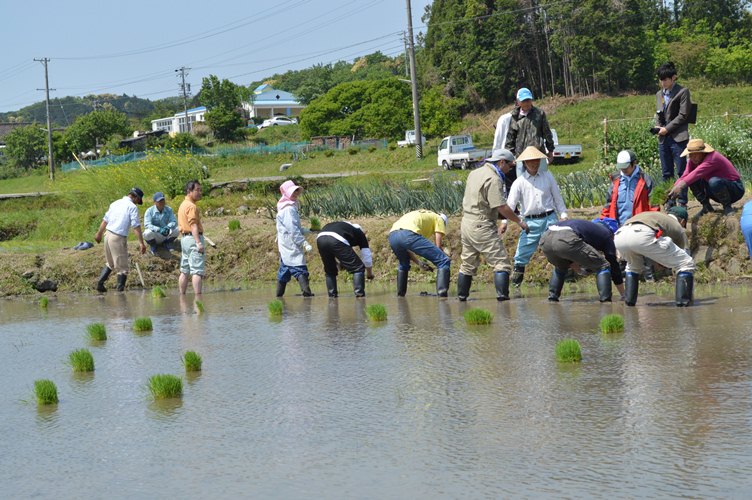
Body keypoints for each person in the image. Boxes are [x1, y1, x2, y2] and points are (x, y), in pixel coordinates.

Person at [458, 149, 529, 301]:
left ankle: (461, 299)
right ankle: (503, 301)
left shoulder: (474, 173)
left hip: (466, 223)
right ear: (501, 162)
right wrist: (519, 221)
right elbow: (500, 206)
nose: (510, 169)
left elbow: (482, 202)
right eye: (510, 166)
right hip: (481, 225)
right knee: (501, 263)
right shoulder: (493, 178)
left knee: (468, 264)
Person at [502, 146, 568, 287]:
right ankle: (516, 285)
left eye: (536, 160)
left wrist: (563, 214)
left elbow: (557, 197)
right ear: (525, 163)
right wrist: (504, 221)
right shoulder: (519, 182)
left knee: (558, 249)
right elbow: (510, 205)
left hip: (549, 218)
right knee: (521, 254)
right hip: (530, 222)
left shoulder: (547, 176)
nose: (534, 163)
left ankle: (564, 280)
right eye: (530, 161)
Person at [614, 206, 695, 307]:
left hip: (620, 235)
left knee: (633, 268)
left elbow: (655, 248)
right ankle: (684, 304)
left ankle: (629, 304)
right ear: (682, 221)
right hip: (641, 233)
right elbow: (685, 254)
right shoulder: (677, 226)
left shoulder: (656, 216)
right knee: (686, 263)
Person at [540, 218, 625, 302]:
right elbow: (613, 265)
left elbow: (572, 252)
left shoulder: (588, 228)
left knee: (560, 267)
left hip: (546, 238)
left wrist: (578, 269)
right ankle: (606, 302)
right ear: (613, 233)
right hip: (565, 237)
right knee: (603, 266)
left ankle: (552, 299)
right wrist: (623, 294)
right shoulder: (607, 234)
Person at [667, 139, 745, 216]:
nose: (692, 157)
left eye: (695, 154)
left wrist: (680, 186)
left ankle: (727, 207)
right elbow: (685, 176)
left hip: (735, 190)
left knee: (713, 181)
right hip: (715, 190)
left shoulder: (712, 158)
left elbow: (696, 173)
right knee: (692, 180)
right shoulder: (692, 161)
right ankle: (706, 207)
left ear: (702, 153)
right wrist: (674, 187)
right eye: (690, 155)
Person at [94, 187, 147, 292]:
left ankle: (100, 284)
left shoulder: (115, 203)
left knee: (111, 263)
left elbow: (105, 220)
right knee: (122, 269)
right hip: (118, 237)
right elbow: (136, 226)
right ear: (136, 197)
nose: (137, 203)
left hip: (107, 235)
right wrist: (141, 243)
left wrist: (99, 233)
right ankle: (120, 294)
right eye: (138, 201)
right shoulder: (132, 207)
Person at [388, 209, 451, 297]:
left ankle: (400, 296)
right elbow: (438, 246)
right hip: (408, 234)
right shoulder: (439, 219)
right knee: (443, 261)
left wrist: (419, 263)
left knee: (403, 264)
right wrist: (445, 255)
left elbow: (407, 248)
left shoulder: (425, 216)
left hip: (392, 236)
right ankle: (442, 297)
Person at [655, 61, 691, 206]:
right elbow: (659, 113)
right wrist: (658, 126)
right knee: (666, 173)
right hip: (664, 138)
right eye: (661, 79)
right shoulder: (659, 94)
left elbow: (683, 115)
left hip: (679, 137)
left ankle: (682, 202)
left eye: (665, 79)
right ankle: (669, 202)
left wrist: (667, 128)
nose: (663, 82)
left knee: (682, 172)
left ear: (673, 77)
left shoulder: (683, 92)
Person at [275, 179, 313, 297]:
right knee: (299, 267)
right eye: (293, 192)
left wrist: (306, 231)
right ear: (286, 193)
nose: (296, 194)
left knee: (285, 269)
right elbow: (292, 229)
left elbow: (292, 227)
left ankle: (279, 296)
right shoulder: (288, 209)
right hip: (290, 243)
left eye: (297, 191)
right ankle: (307, 294)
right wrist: (303, 243)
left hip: (286, 243)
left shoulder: (288, 207)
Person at [316, 221, 374, 298]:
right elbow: (366, 256)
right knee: (358, 268)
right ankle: (360, 296)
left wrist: (338, 264)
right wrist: (369, 274)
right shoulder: (359, 233)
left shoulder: (344, 227)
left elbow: (336, 250)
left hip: (320, 238)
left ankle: (332, 296)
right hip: (336, 238)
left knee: (330, 270)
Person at [600, 149, 656, 226]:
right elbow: (608, 204)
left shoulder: (645, 180)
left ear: (634, 163)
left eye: (626, 167)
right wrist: (603, 221)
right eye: (621, 167)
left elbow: (653, 204)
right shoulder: (615, 180)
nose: (623, 170)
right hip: (618, 226)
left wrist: (653, 224)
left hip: (640, 226)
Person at [505, 87, 555, 164]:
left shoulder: (539, 114)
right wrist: (511, 156)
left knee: (541, 176)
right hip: (521, 157)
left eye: (528, 100)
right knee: (522, 176)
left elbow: (547, 133)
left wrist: (550, 151)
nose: (526, 103)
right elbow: (510, 137)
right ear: (518, 102)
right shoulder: (515, 116)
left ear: (531, 100)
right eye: (523, 101)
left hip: (538, 155)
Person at [178, 180, 205, 296]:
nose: (200, 192)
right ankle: (198, 298)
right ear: (189, 191)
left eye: (200, 189)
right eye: (197, 190)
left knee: (184, 270)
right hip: (192, 238)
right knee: (197, 270)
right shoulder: (191, 206)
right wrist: (198, 242)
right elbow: (193, 225)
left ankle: (182, 296)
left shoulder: (183, 204)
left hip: (184, 239)